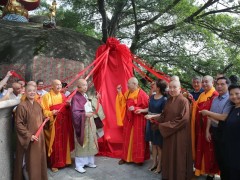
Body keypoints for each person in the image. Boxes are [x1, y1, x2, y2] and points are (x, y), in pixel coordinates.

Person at [154, 80, 192, 180]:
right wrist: (154, 119)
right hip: (169, 133)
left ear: (180, 88)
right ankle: (168, 176)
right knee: (169, 154)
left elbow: (184, 119)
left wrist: (163, 126)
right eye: (170, 87)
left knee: (178, 155)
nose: (171, 89)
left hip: (179, 134)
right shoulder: (168, 100)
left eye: (174, 87)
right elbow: (164, 115)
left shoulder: (184, 101)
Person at [200, 77, 232, 179]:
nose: (219, 86)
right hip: (214, 131)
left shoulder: (230, 99)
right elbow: (210, 117)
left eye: (222, 84)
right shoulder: (215, 99)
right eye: (218, 84)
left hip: (225, 132)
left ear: (228, 85)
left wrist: (207, 112)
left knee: (226, 159)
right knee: (218, 157)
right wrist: (207, 131)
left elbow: (224, 117)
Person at [13, 84, 48, 180]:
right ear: (25, 92)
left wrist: (46, 118)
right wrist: (29, 136)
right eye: (30, 91)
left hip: (38, 138)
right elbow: (19, 124)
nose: (32, 92)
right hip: (28, 139)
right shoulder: (21, 106)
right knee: (27, 161)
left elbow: (40, 118)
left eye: (34, 90)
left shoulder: (37, 104)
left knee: (37, 160)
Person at [41, 79, 74, 172]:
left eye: (60, 85)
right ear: (52, 86)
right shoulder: (46, 97)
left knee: (63, 142)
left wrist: (68, 105)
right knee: (55, 144)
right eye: (57, 85)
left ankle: (64, 161)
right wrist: (52, 112)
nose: (59, 86)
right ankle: (54, 164)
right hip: (54, 124)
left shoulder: (63, 96)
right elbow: (43, 111)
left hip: (63, 124)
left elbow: (66, 109)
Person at [116, 77, 150, 165]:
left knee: (138, 139)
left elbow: (147, 108)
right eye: (127, 83)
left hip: (138, 120)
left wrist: (136, 108)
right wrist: (119, 92)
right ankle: (125, 157)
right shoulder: (127, 93)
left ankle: (138, 159)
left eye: (129, 84)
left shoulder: (142, 94)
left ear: (135, 84)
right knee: (127, 138)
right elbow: (123, 103)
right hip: (129, 119)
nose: (127, 85)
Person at [191, 75, 219, 179]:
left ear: (212, 83)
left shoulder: (215, 95)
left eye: (206, 82)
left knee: (210, 151)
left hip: (210, 128)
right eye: (203, 82)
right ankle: (200, 170)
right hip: (200, 126)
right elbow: (196, 107)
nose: (204, 84)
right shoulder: (202, 94)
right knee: (201, 148)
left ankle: (211, 173)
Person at [71, 79, 99, 173]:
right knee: (82, 142)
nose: (85, 87)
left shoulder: (85, 95)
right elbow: (75, 113)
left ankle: (89, 162)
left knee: (90, 142)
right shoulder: (75, 98)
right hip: (82, 123)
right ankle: (79, 165)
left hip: (89, 122)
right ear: (78, 87)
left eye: (86, 85)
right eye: (83, 85)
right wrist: (85, 114)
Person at [144, 79, 168, 174]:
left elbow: (164, 115)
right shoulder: (152, 96)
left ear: (158, 87)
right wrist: (141, 110)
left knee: (159, 145)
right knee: (153, 144)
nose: (152, 86)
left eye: (154, 85)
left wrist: (152, 116)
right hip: (150, 122)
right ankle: (154, 163)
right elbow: (148, 109)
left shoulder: (164, 99)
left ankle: (159, 165)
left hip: (157, 124)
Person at [221, 84, 240, 179]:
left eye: (237, 93)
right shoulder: (233, 108)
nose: (234, 96)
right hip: (230, 149)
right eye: (231, 94)